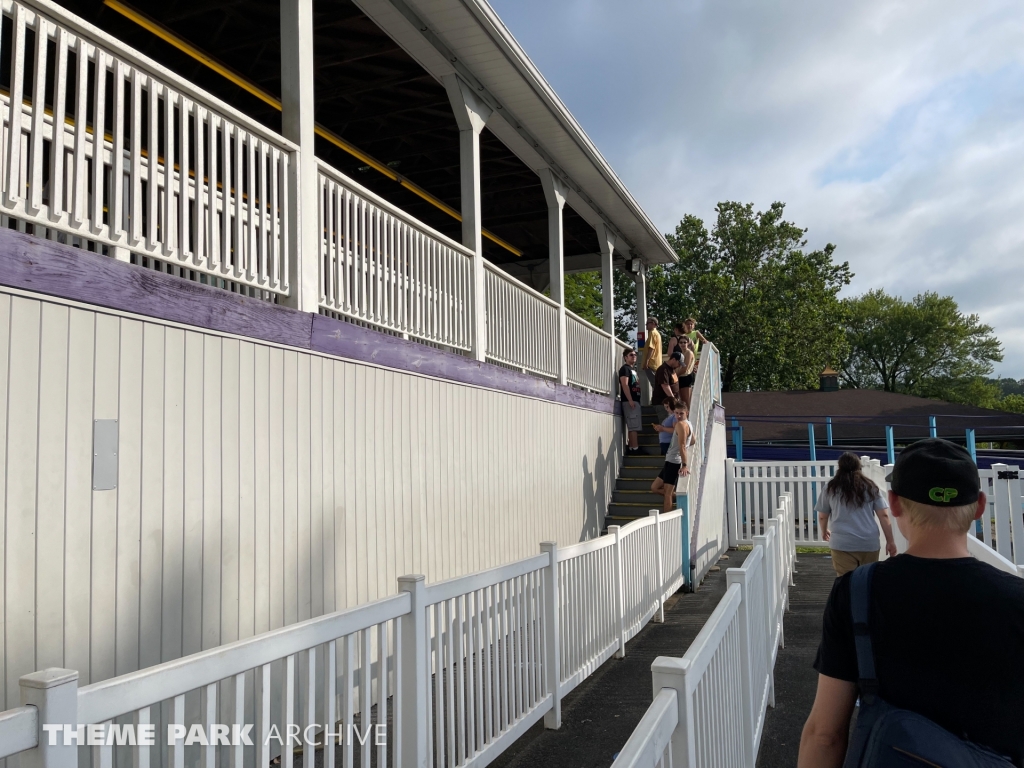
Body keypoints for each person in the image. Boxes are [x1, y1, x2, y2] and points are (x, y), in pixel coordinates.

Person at [798, 439, 1024, 767]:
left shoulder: (856, 592)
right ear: (979, 507)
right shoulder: (1016, 600)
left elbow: (825, 734)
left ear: (896, 503)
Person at [816, 452, 897, 576]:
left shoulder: (830, 487)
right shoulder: (870, 486)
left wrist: (824, 530)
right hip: (869, 543)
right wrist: (890, 541)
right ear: (859, 466)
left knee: (845, 582)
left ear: (840, 467)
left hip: (842, 542)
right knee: (867, 580)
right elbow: (884, 515)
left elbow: (822, 516)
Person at [650, 401, 691, 512]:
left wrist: (684, 465)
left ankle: (666, 521)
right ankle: (678, 498)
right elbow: (692, 441)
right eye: (676, 413)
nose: (678, 416)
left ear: (686, 412)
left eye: (681, 413)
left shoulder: (681, 425)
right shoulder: (688, 424)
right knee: (654, 487)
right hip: (669, 460)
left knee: (667, 494)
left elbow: (682, 445)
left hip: (674, 461)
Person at [618, 348, 642, 455]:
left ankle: (632, 447)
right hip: (630, 401)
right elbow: (624, 384)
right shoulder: (625, 369)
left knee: (634, 426)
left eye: (635, 355)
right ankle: (635, 448)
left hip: (635, 400)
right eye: (631, 355)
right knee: (633, 426)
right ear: (625, 357)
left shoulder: (633, 370)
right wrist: (630, 400)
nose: (634, 356)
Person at [652, 351, 683, 422]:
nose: (679, 365)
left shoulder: (672, 370)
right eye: (679, 363)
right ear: (673, 359)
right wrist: (673, 399)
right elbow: (665, 385)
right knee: (665, 424)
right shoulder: (663, 369)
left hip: (670, 403)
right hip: (663, 403)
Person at [641, 317, 663, 393]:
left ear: (653, 324)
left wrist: (646, 361)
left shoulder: (652, 333)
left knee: (655, 384)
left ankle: (658, 400)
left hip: (651, 363)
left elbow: (651, 348)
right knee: (656, 383)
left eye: (648, 323)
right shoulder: (657, 334)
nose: (646, 325)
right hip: (656, 363)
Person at [675, 337, 696, 411]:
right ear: (678, 344)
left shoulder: (689, 352)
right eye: (681, 342)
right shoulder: (681, 353)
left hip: (686, 377)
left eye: (685, 342)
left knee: (686, 401)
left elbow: (685, 368)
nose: (683, 344)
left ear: (688, 343)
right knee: (681, 401)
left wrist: (675, 375)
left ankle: (688, 419)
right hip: (680, 377)